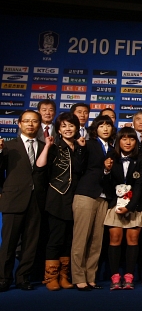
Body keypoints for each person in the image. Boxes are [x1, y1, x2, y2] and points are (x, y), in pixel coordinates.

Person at [0, 110, 49, 292]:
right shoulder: (8, 146)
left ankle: (23, 278)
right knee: (9, 243)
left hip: (37, 200)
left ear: (39, 125)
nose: (30, 124)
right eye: (26, 121)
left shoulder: (45, 146)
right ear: (19, 123)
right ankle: (3, 278)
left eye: (34, 121)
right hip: (13, 199)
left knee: (31, 243)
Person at [71, 114, 115, 291]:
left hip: (103, 197)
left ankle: (90, 276)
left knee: (97, 240)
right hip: (86, 195)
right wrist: (80, 149)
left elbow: (110, 174)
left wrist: (107, 170)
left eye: (108, 125)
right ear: (95, 128)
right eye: (101, 125)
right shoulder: (87, 144)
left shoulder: (112, 149)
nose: (105, 128)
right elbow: (79, 167)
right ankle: (78, 277)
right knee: (81, 238)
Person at [43, 112, 86, 291]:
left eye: (71, 125)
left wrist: (81, 148)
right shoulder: (54, 146)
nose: (68, 129)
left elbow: (81, 168)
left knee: (69, 239)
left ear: (77, 128)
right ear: (59, 130)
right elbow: (43, 170)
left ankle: (63, 275)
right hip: (57, 197)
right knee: (56, 238)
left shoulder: (80, 146)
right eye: (64, 126)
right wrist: (47, 147)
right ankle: (50, 277)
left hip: (75, 198)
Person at [103, 127, 142, 290]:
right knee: (115, 238)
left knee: (133, 239)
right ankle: (115, 275)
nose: (128, 142)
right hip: (115, 204)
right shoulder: (111, 156)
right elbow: (106, 185)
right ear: (118, 140)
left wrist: (129, 207)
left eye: (132, 139)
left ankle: (129, 275)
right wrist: (107, 171)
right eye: (124, 138)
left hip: (134, 205)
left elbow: (139, 185)